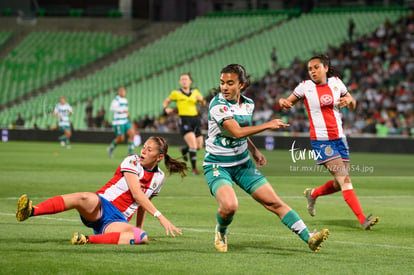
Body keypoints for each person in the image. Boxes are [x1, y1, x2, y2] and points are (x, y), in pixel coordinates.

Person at [204, 64, 329, 253]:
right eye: (222, 83)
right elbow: (237, 132)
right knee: (230, 206)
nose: (224, 87)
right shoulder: (217, 105)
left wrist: (254, 151)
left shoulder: (248, 104)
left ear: (241, 85)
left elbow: (243, 134)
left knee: (274, 202)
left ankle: (309, 237)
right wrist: (268, 125)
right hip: (218, 165)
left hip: (243, 164)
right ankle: (221, 232)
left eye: (230, 83)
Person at [16, 136, 187, 245]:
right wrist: (161, 218)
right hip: (100, 205)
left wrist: (135, 229)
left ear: (159, 157)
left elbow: (143, 203)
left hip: (116, 221)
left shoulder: (159, 178)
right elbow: (137, 194)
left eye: (149, 150)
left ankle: (86, 239)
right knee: (84, 197)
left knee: (141, 236)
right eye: (144, 147)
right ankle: (31, 210)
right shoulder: (132, 161)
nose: (143, 151)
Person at [278, 54, 379, 230]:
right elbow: (287, 101)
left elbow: (353, 103)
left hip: (340, 138)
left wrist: (349, 101)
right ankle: (363, 220)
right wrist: (283, 102)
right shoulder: (305, 87)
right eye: (310, 69)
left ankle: (313, 193)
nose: (313, 72)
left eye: (316, 67)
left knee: (339, 184)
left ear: (325, 68)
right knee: (345, 180)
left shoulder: (336, 83)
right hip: (321, 141)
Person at [163, 73, 206, 175]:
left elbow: (203, 103)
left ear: (190, 81)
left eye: (186, 79)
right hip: (184, 120)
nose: (184, 81)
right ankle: (194, 169)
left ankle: (184, 150)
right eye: (182, 79)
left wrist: (202, 101)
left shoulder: (195, 92)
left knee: (199, 146)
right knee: (193, 145)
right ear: (179, 82)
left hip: (195, 120)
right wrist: (166, 108)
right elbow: (166, 101)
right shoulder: (176, 93)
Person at [107, 87, 135, 158]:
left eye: (124, 91)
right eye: (121, 91)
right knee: (121, 138)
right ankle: (110, 149)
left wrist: (127, 114)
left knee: (132, 133)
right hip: (118, 122)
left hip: (125, 120)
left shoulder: (125, 100)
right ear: (119, 92)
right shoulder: (116, 99)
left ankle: (130, 152)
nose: (123, 92)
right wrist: (122, 110)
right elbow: (112, 108)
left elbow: (125, 110)